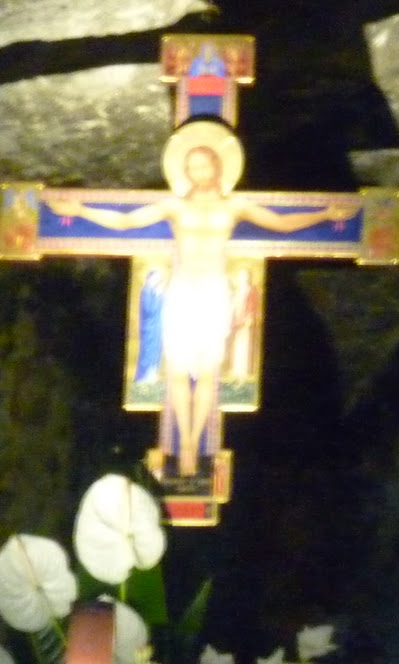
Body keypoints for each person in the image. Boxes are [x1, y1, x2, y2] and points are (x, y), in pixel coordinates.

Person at [47, 122, 356, 478]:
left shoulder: (235, 205)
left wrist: (324, 214)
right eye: (192, 167)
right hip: (182, 291)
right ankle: (187, 445)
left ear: (218, 167)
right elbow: (126, 221)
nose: (199, 173)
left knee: (208, 372)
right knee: (178, 372)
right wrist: (81, 210)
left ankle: (193, 439)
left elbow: (281, 224)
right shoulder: (174, 205)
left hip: (213, 293)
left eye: (204, 165)